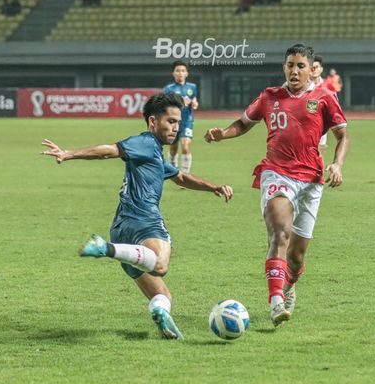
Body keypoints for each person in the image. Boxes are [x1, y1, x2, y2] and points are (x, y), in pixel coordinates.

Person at [40, 93, 233, 340]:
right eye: (171, 121)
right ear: (153, 122)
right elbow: (109, 151)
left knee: (162, 296)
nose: (176, 127)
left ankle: (163, 321)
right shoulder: (144, 143)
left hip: (121, 227)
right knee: (161, 265)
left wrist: (213, 187)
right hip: (144, 220)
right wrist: (69, 153)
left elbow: (181, 178)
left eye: (178, 122)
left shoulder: (154, 154)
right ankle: (105, 248)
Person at [204, 44, 349, 327]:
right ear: (284, 67)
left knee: (296, 256)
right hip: (276, 173)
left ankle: (289, 284)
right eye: (290, 65)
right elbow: (244, 123)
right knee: (280, 233)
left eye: (300, 66)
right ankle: (275, 302)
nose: (294, 71)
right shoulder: (269, 97)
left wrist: (338, 164)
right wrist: (223, 134)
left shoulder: (324, 97)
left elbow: (343, 135)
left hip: (310, 181)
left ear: (311, 69)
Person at [163, 61, 198, 173]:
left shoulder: (192, 87)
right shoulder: (168, 89)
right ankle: (174, 170)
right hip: (173, 122)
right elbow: (165, 105)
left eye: (183, 71)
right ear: (173, 73)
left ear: (187, 73)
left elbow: (194, 100)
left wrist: (194, 103)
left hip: (187, 121)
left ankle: (185, 174)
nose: (180, 73)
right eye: (177, 71)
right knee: (173, 149)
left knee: (185, 146)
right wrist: (180, 101)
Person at [311, 55, 329, 154]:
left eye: (316, 67)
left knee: (318, 157)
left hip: (321, 128)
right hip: (303, 128)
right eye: (311, 67)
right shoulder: (301, 86)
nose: (314, 70)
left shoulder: (328, 86)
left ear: (321, 69)